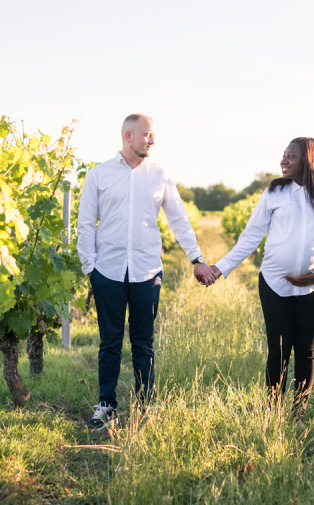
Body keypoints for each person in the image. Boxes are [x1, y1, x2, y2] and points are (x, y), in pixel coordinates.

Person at [76, 113, 215, 431]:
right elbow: (86, 223)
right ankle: (107, 407)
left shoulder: (159, 175)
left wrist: (196, 258)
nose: (152, 140)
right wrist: (90, 268)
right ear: (128, 136)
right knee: (109, 342)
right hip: (107, 271)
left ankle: (145, 407)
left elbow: (178, 219)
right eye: (147, 135)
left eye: (153, 136)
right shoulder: (98, 174)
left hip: (147, 271)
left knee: (144, 343)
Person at [209, 137, 314, 416]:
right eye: (283, 156)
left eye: (291, 156)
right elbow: (250, 237)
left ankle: (298, 411)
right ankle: (273, 409)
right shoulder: (274, 193)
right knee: (279, 348)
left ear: (309, 160)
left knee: (307, 348)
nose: (284, 161)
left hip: (313, 286)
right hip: (274, 281)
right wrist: (219, 268)